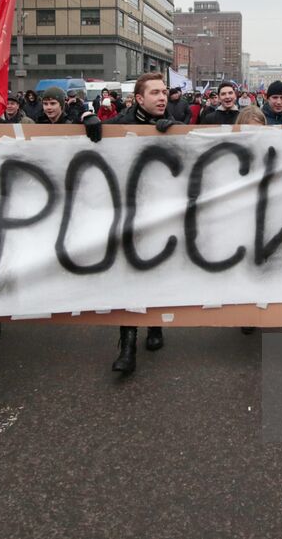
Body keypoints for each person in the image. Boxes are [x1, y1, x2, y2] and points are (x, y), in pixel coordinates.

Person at [107, 73, 178, 374]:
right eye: (155, 93)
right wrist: (88, 120)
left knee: (156, 274)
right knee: (129, 278)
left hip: (162, 216)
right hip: (127, 216)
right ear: (139, 98)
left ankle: (155, 324)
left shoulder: (175, 127)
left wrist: (172, 132)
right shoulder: (117, 127)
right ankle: (127, 346)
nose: (163, 98)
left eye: (165, 92)